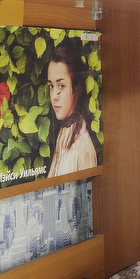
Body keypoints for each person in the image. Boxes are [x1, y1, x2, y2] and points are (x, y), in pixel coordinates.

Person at [45, 39, 99, 178]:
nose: (54, 96)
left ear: (76, 88)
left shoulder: (83, 146)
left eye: (61, 86)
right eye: (51, 86)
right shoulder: (64, 134)